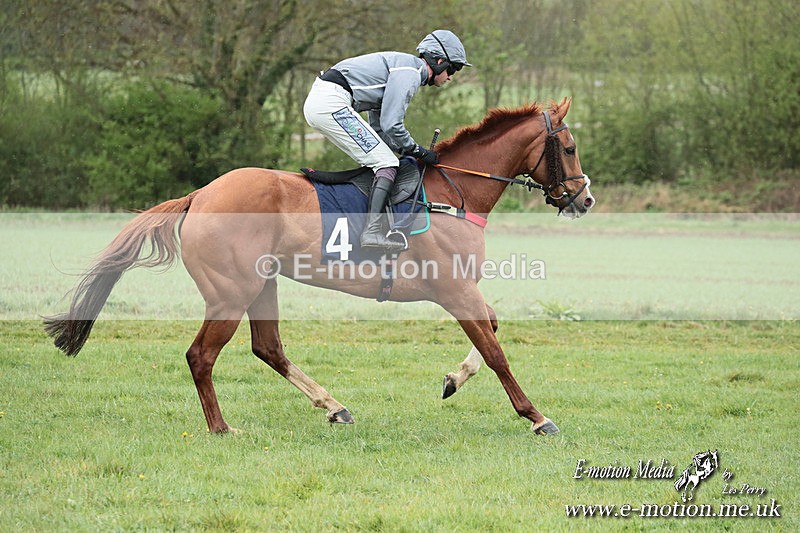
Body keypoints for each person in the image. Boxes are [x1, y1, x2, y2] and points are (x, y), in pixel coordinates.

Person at [303, 30, 471, 252]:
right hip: (331, 102)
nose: (450, 76)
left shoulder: (404, 67)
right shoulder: (410, 72)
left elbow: (380, 127)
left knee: (384, 159)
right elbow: (393, 124)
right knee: (386, 163)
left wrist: (404, 151)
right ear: (439, 61)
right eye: (453, 69)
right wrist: (417, 151)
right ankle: (372, 232)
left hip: (326, 101)